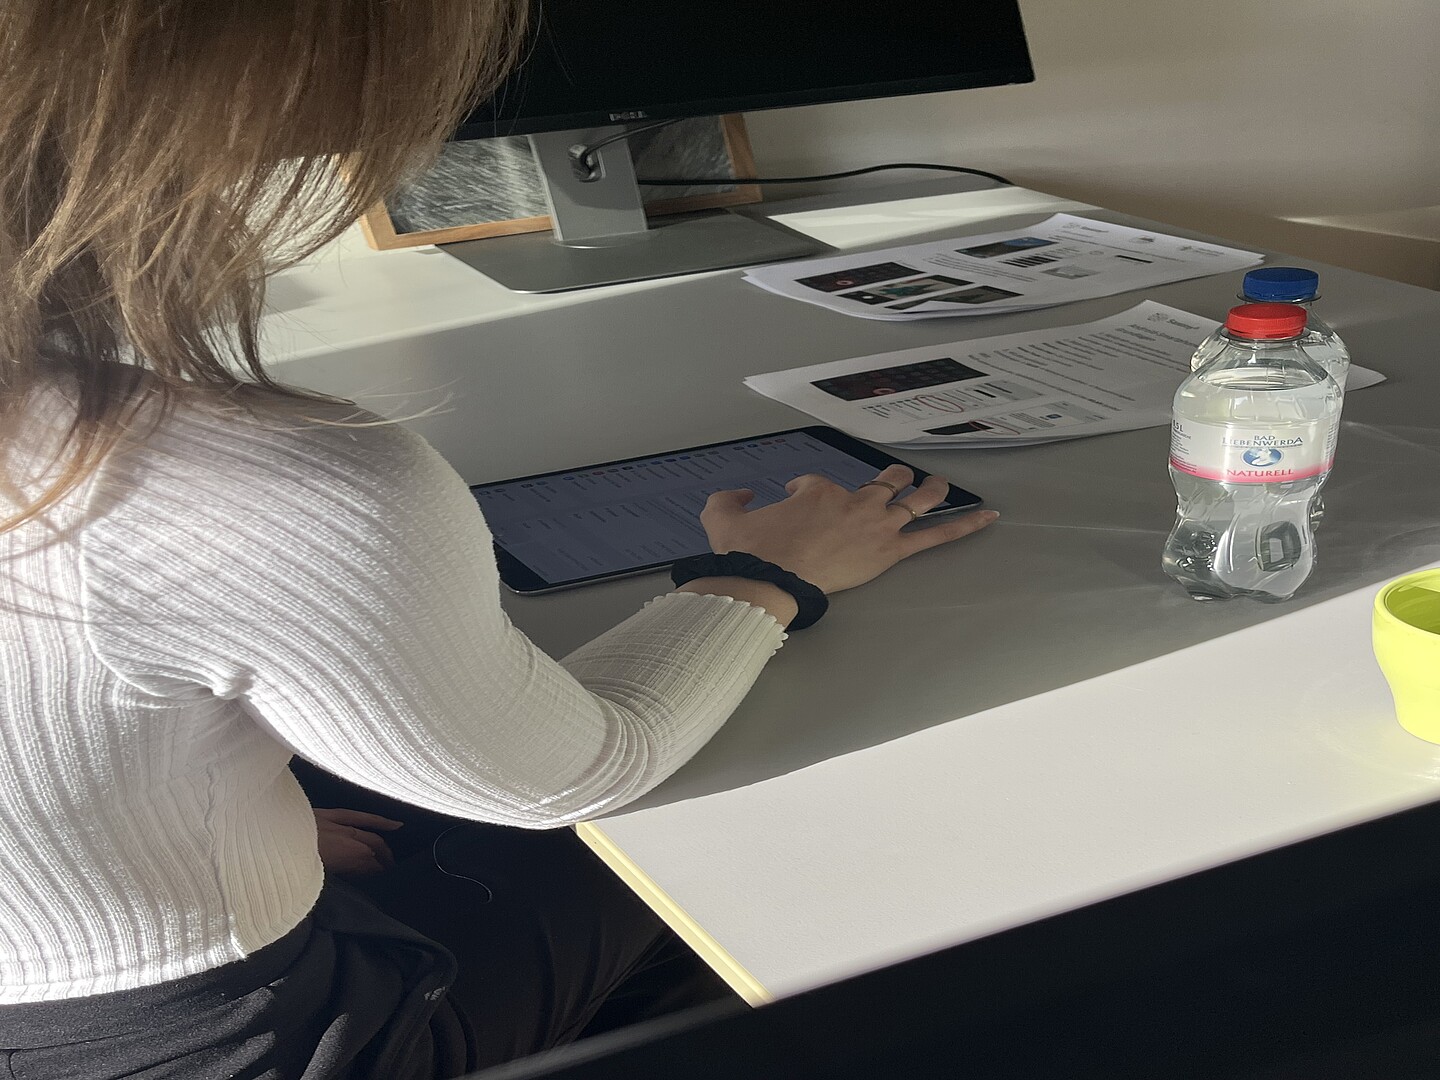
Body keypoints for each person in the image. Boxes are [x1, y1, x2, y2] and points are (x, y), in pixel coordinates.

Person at [0, 2, 998, 1078]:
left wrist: (201, 826)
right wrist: (766, 575)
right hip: (229, 1042)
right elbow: (576, 774)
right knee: (727, 831)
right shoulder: (231, 487)